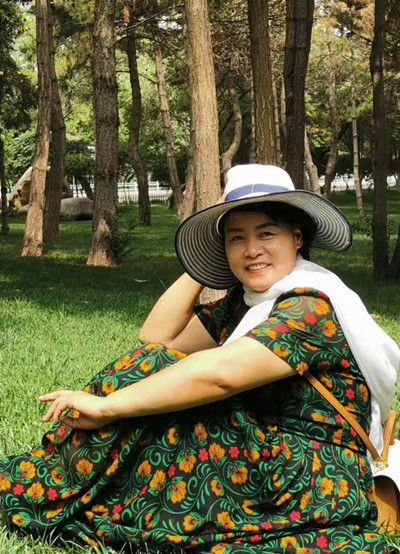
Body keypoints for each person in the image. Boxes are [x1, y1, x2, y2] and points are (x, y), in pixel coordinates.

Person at [0, 164, 398, 553]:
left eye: (266, 234)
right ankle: (57, 483)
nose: (251, 249)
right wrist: (204, 264)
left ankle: (52, 487)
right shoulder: (248, 303)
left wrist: (107, 408)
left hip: (307, 475)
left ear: (297, 238)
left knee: (154, 390)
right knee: (153, 365)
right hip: (261, 451)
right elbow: (158, 338)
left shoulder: (310, 306)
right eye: (236, 238)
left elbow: (220, 376)